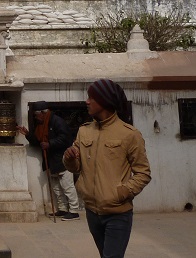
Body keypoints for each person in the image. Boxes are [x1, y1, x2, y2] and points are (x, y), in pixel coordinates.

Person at [62, 79, 150, 258]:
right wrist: (70, 158)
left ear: (104, 101)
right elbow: (76, 167)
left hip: (118, 213)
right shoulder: (84, 131)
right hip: (92, 211)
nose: (87, 101)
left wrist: (122, 192)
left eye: (91, 98)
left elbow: (143, 172)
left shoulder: (129, 134)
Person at [16, 101, 79, 220]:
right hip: (51, 160)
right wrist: (28, 134)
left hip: (63, 159)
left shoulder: (57, 121)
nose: (35, 117)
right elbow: (38, 142)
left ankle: (74, 210)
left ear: (43, 113)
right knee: (56, 187)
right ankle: (62, 208)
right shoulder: (41, 124)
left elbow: (65, 139)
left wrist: (50, 144)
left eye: (36, 115)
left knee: (67, 186)